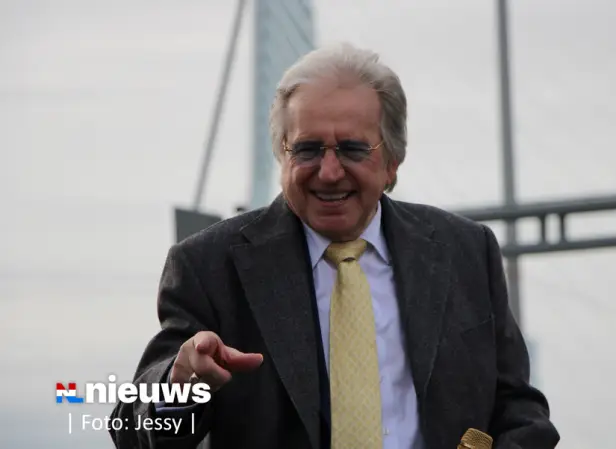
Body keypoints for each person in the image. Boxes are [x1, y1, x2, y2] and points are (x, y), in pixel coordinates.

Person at [109, 42, 559, 449]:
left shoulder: (465, 252)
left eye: (352, 149)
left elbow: (520, 411)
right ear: (281, 155)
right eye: (307, 149)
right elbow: (131, 430)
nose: (328, 172)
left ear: (392, 162)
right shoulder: (209, 266)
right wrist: (180, 388)